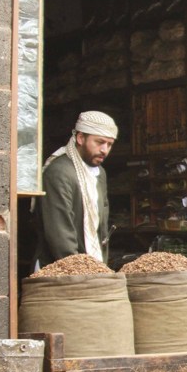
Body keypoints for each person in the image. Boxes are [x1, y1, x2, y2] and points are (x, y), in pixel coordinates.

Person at [33, 111, 118, 270]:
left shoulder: (99, 173)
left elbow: (101, 227)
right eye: (99, 142)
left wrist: (99, 268)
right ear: (80, 138)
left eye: (109, 144)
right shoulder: (59, 172)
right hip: (58, 270)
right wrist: (80, 271)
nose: (104, 150)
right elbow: (60, 234)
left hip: (92, 268)